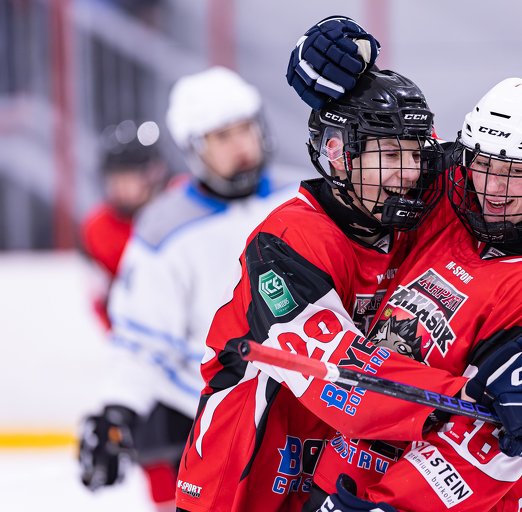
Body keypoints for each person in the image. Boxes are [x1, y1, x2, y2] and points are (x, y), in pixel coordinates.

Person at [286, 21, 522, 512]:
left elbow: (482, 443)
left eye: (516, 173)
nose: (493, 188)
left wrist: (393, 506)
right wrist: (340, 72)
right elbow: (387, 146)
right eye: (484, 165)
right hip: (337, 477)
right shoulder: (453, 201)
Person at [173, 65, 476, 512]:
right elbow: (338, 373)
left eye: (416, 155)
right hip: (243, 479)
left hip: (333, 473)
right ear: (338, 154)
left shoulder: (399, 224)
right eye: (391, 155)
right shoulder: (288, 240)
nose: (411, 173)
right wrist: (467, 396)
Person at [78, 66, 294, 510]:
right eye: (222, 136)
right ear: (195, 148)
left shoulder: (301, 198)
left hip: (309, 413)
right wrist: (115, 411)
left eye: (245, 129)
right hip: (212, 423)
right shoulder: (164, 230)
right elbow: (142, 341)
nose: (241, 145)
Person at [80, 121, 166, 329]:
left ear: (152, 174)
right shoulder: (97, 228)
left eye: (128, 177)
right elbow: (100, 293)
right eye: (115, 178)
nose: (120, 187)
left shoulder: (178, 211)